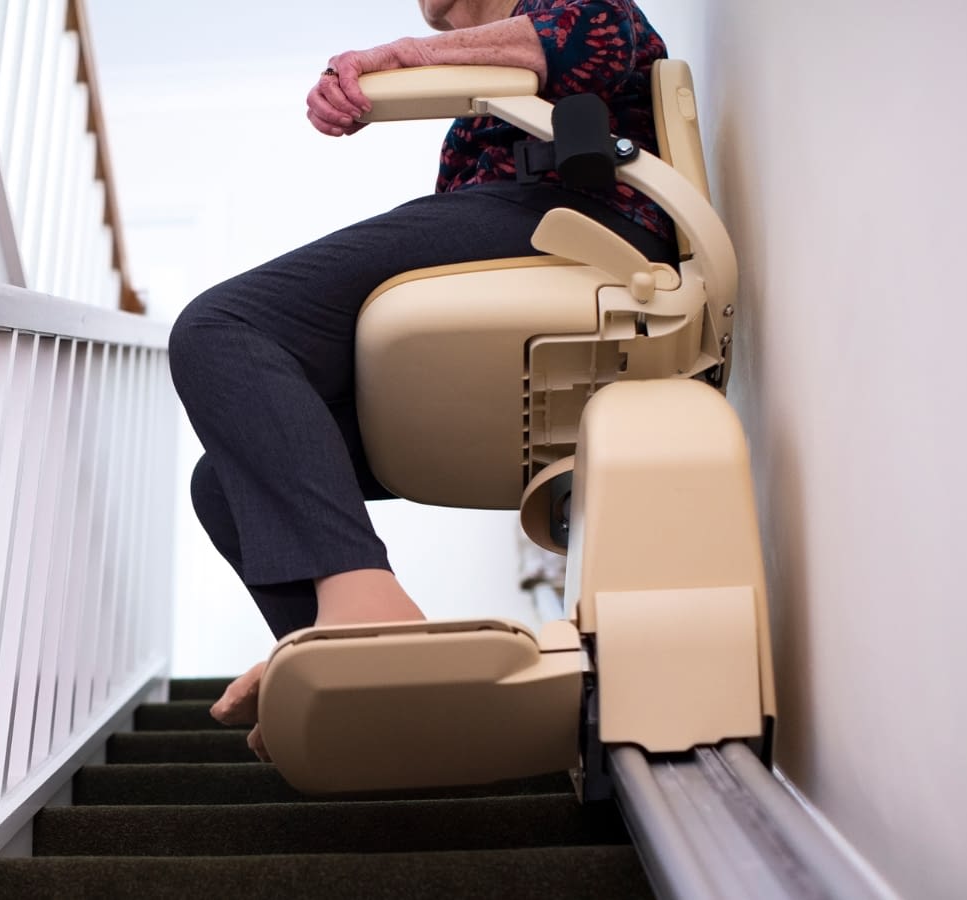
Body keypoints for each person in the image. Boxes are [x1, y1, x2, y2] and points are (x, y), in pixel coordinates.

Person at [166, 0, 677, 759]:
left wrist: (393, 60)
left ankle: (368, 611)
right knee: (224, 481)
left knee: (223, 328)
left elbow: (565, 43)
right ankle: (357, 678)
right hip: (515, 266)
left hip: (581, 224)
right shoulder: (472, 105)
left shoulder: (587, 7)